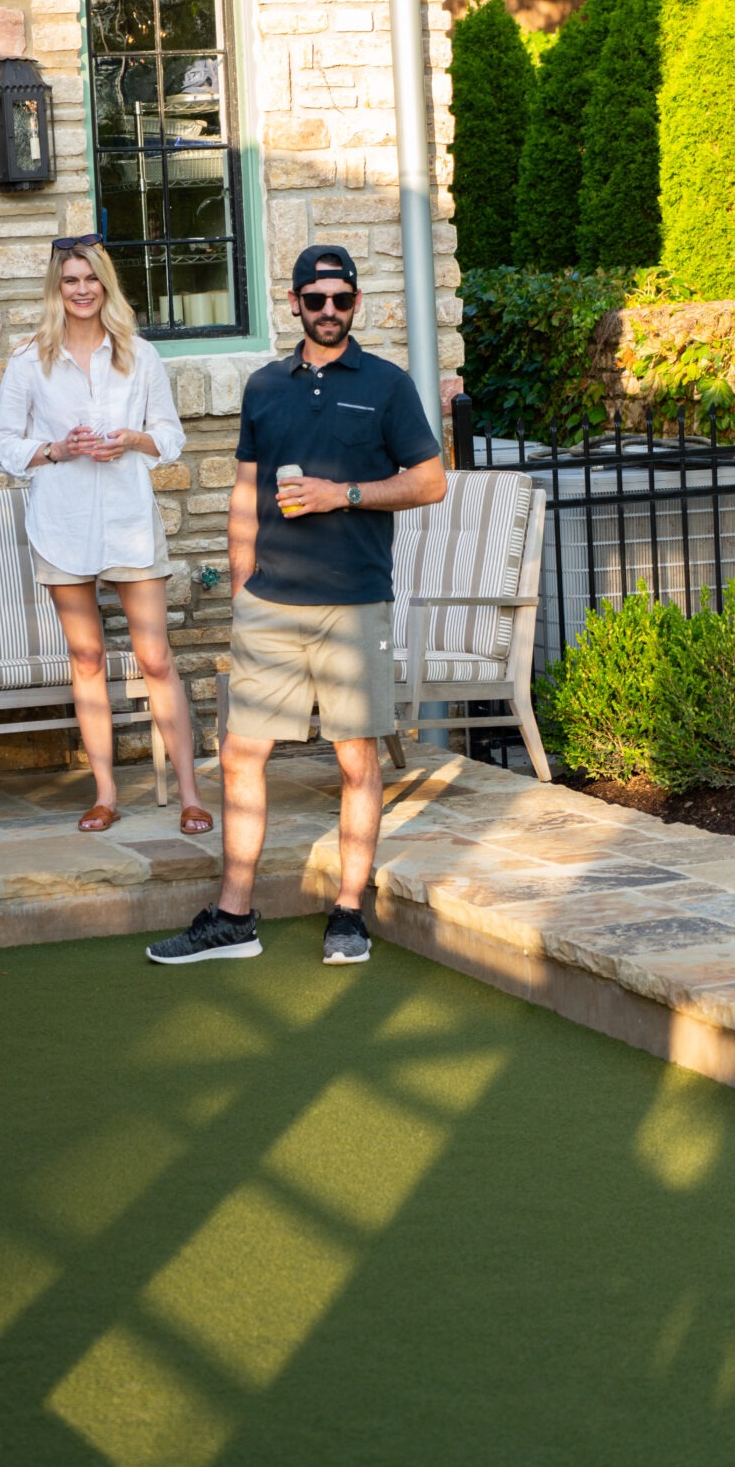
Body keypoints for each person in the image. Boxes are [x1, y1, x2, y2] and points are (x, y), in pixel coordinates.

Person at [146, 244, 446, 969]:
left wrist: (341, 494)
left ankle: (348, 912)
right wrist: (244, 575)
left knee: (356, 760)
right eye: (317, 300)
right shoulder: (263, 387)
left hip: (353, 603)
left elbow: (431, 481)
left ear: (356, 303)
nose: (330, 312)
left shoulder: (387, 385)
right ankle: (233, 916)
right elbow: (245, 489)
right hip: (270, 605)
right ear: (294, 304)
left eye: (342, 299)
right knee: (242, 753)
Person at [0, 234, 214, 837]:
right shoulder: (28, 360)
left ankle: (191, 794)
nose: (82, 290)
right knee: (86, 658)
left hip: (130, 523)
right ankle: (106, 794)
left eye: (91, 279)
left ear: (105, 285)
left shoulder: (139, 355)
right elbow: (1, 443)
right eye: (70, 281)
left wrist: (133, 440)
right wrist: (56, 450)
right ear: (56, 289)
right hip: (61, 527)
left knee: (156, 657)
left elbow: (169, 434)